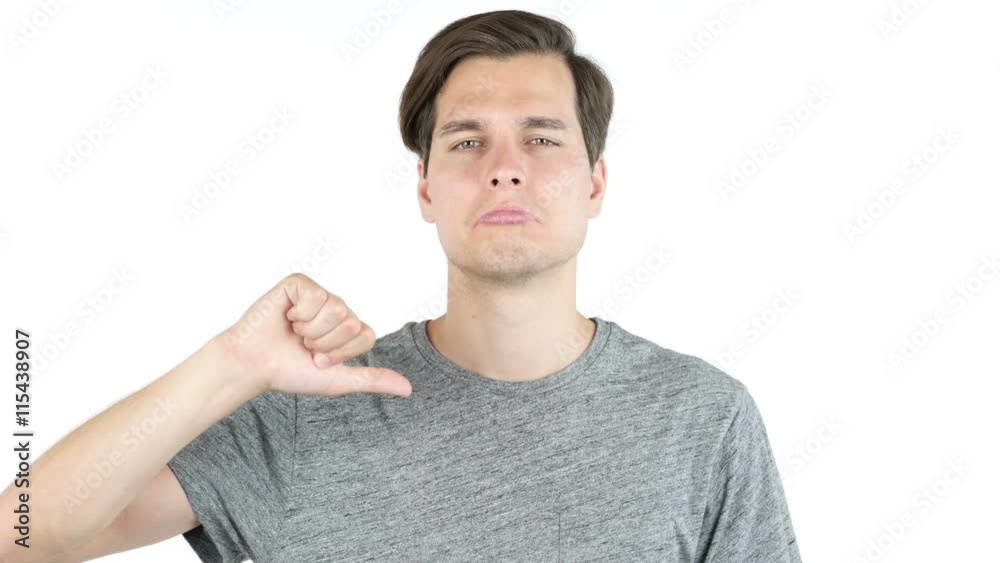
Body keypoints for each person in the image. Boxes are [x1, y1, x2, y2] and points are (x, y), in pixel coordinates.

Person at [0, 9, 801, 562]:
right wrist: (231, 362)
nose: (505, 167)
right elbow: (21, 534)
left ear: (594, 182)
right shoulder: (306, 413)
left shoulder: (702, 418)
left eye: (541, 137)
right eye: (467, 141)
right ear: (425, 186)